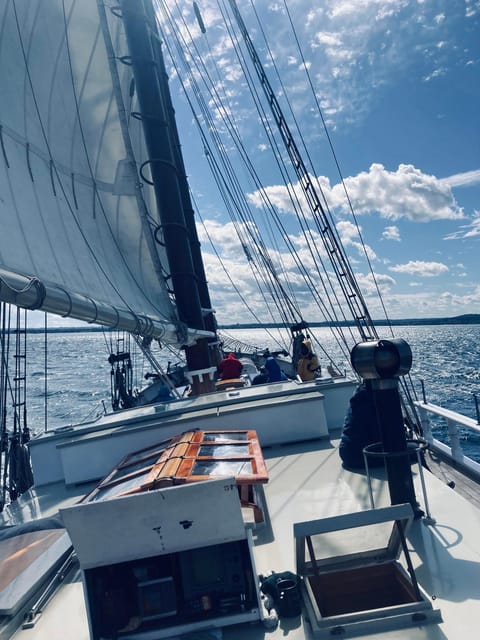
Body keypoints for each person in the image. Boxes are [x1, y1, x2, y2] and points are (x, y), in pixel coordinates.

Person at [338, 381, 383, 469]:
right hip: (363, 456)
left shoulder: (359, 392)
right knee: (416, 451)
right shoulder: (377, 395)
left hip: (346, 453)